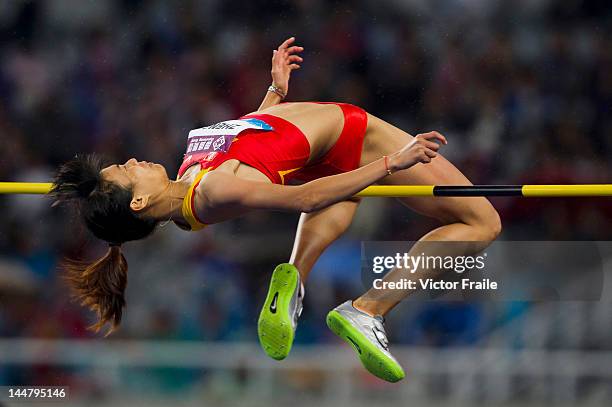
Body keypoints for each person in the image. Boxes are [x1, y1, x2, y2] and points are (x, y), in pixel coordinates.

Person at [50, 37, 501, 383]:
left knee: (343, 193)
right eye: (127, 171)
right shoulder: (209, 191)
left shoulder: (189, 180)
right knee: (482, 222)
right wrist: (391, 161)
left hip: (318, 154)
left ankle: (295, 279)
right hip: (357, 138)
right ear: (139, 201)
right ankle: (368, 310)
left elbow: (251, 140)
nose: (133, 160)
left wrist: (273, 92)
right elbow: (305, 198)